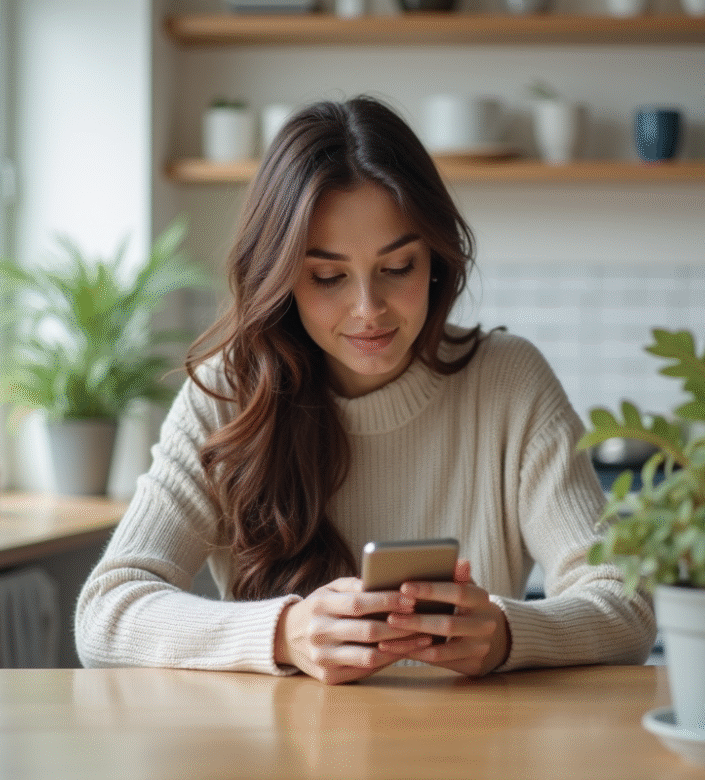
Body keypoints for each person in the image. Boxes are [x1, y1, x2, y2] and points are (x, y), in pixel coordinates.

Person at [75, 95, 655, 684]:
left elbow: (626, 604)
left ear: (435, 259)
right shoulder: (229, 393)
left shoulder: (509, 381)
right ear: (282, 280)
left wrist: (508, 634)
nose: (367, 310)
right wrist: (284, 634)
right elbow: (105, 613)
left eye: (397, 268)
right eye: (327, 277)